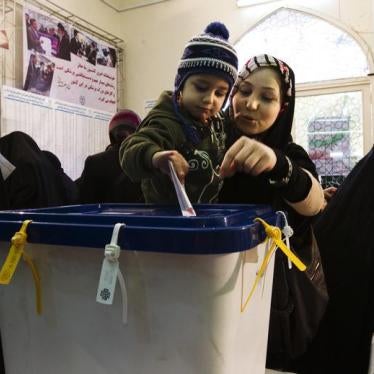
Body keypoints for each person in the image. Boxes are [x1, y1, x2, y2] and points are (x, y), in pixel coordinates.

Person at [218, 54, 325, 371]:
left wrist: (278, 165)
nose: (250, 104)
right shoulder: (209, 144)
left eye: (266, 97)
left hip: (269, 306)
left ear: (283, 108)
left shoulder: (289, 155)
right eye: (244, 91)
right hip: (209, 291)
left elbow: (314, 201)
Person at [119, 22, 238, 204]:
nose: (209, 99)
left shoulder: (218, 120)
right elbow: (130, 150)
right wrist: (156, 157)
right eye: (201, 87)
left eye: (220, 93)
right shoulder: (167, 121)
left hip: (207, 217)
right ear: (181, 85)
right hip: (168, 222)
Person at [76, 109, 144, 204]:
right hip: (140, 218)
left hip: (102, 218)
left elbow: (84, 202)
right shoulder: (146, 161)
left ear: (112, 135)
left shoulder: (94, 162)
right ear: (138, 133)